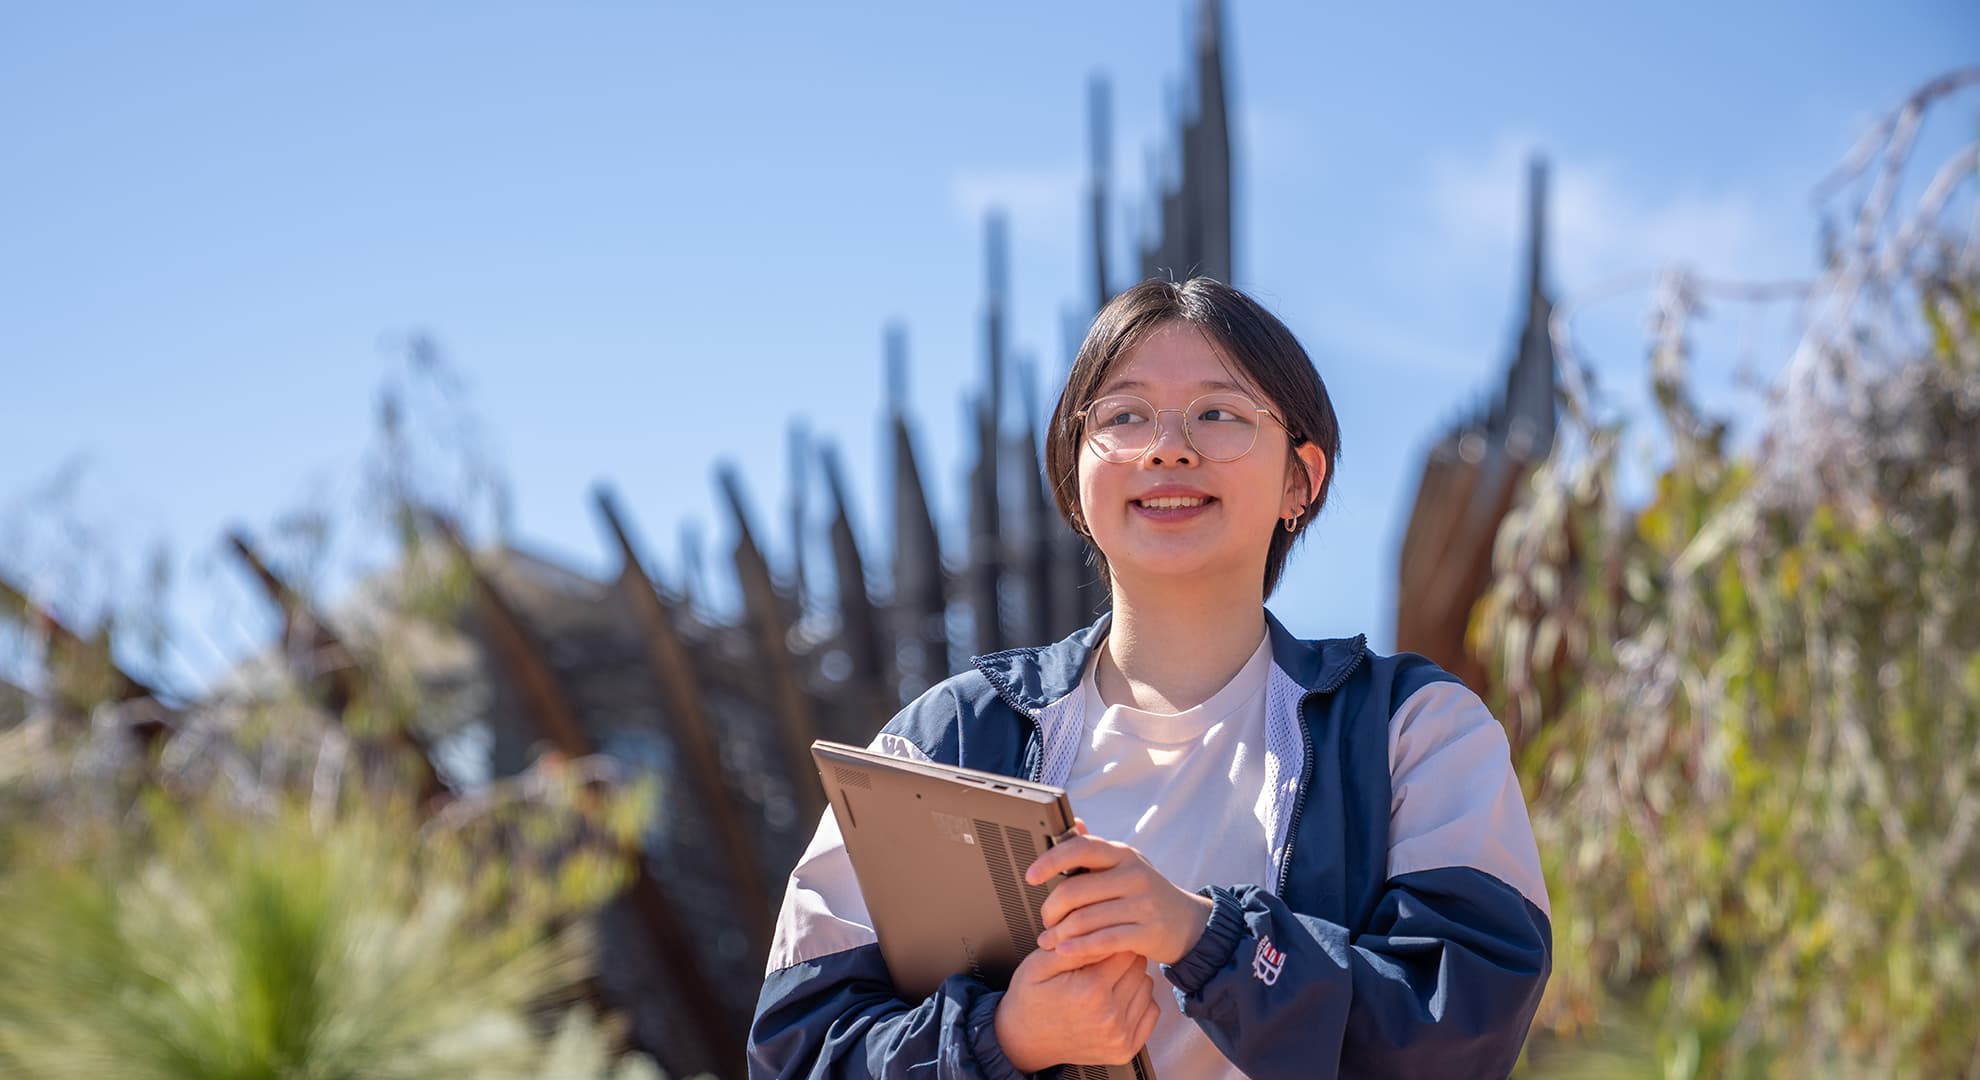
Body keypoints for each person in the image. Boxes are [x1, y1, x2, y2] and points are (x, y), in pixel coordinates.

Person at [748, 277, 1552, 1078]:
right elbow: (796, 1050)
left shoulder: (1412, 732)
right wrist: (1007, 1039)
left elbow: (1463, 1029)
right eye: (1124, 416)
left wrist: (1209, 940)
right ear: (1074, 472)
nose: (1168, 447)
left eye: (1220, 414)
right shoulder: (939, 745)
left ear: (1299, 481)